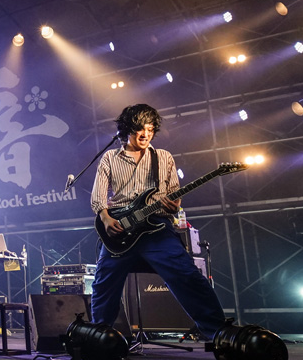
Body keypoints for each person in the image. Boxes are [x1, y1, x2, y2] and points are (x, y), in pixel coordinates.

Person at [90, 104, 227, 341]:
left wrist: (174, 206)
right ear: (127, 129)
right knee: (104, 283)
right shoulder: (110, 158)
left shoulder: (163, 157)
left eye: (150, 129)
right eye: (140, 129)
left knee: (187, 275)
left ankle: (219, 334)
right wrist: (106, 217)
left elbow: (174, 195)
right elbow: (98, 197)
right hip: (120, 227)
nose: (146, 134)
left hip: (156, 227)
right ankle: (99, 338)